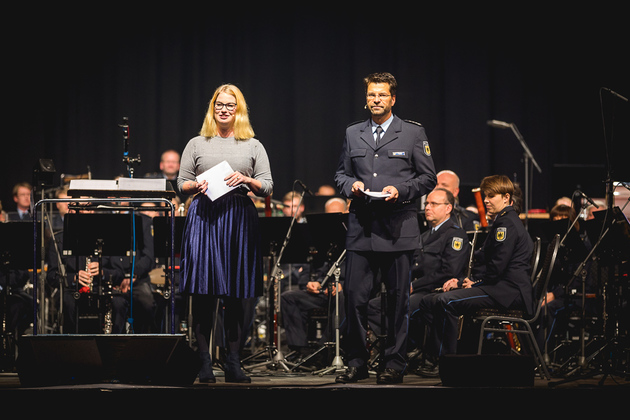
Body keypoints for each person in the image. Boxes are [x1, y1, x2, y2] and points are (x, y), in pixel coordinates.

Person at [334, 72, 437, 384]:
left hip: (397, 229)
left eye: (381, 95)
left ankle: (394, 363)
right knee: (353, 298)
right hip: (361, 228)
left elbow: (427, 177)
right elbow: (340, 174)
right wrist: (351, 185)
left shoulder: (413, 133)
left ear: (393, 99)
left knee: (396, 301)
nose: (375, 100)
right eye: (370, 95)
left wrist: (401, 191)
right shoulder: (354, 133)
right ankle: (357, 361)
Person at [177, 84, 273, 383]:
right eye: (219, 104)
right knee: (205, 293)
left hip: (238, 220)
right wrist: (195, 185)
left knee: (236, 294)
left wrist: (246, 178)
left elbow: (268, 185)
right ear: (212, 107)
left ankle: (233, 361)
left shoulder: (252, 145)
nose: (224, 109)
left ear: (239, 109)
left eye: (230, 105)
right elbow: (181, 183)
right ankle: (204, 361)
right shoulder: (197, 143)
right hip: (205, 218)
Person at [417, 175, 533, 375]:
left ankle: (447, 364)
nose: (486, 200)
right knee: (430, 300)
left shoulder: (506, 225)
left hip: (507, 292)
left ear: (506, 198)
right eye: (485, 196)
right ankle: (432, 357)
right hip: (497, 287)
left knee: (446, 301)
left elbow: (497, 268)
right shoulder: (502, 222)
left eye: (491, 196)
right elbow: (487, 264)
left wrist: (474, 282)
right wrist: (463, 280)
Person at [368, 188, 469, 364]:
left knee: (402, 308)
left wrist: (416, 285)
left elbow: (449, 271)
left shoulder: (455, 234)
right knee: (374, 306)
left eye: (434, 204)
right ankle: (406, 346)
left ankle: (406, 349)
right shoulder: (423, 235)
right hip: (415, 288)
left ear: (448, 208)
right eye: (427, 203)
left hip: (433, 291)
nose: (428, 207)